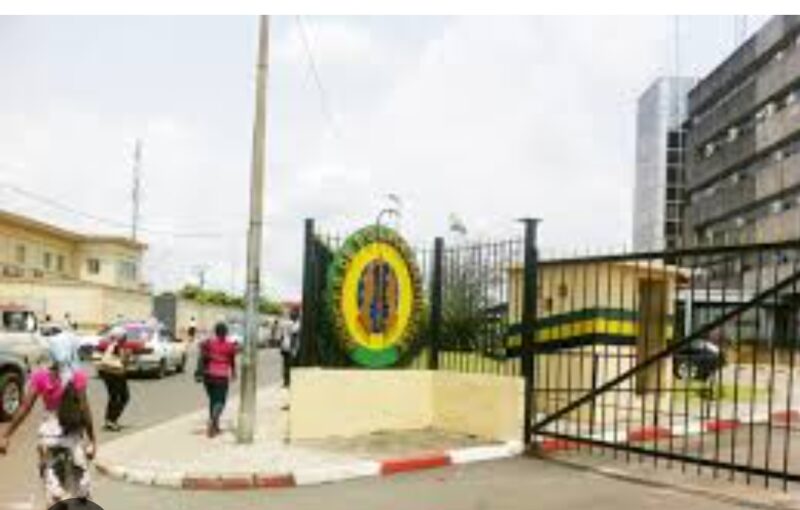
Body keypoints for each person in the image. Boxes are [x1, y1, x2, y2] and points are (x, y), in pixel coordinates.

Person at [0, 332, 96, 505]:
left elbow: (24, 408)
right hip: (72, 435)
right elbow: (84, 410)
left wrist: (6, 435)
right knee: (80, 487)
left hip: (48, 436)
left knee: (52, 484)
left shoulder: (40, 376)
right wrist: (92, 440)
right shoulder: (77, 377)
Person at [199, 322, 237, 437]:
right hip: (221, 376)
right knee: (221, 402)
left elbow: (201, 349)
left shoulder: (209, 343)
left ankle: (215, 426)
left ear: (215, 332)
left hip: (208, 376)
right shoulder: (229, 346)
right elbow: (232, 361)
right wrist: (234, 373)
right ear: (226, 333)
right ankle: (214, 420)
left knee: (213, 400)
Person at [96, 326, 131, 432]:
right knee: (123, 397)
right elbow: (123, 362)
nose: (126, 338)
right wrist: (127, 357)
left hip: (107, 372)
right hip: (115, 373)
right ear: (121, 337)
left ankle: (109, 420)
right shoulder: (117, 346)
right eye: (125, 336)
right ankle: (112, 420)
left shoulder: (111, 345)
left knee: (114, 396)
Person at [280, 312, 300, 388]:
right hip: (289, 348)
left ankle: (286, 382)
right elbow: (294, 337)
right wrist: (294, 349)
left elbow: (282, 336)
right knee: (290, 366)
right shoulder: (295, 325)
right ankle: (288, 382)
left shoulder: (284, 323)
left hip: (285, 347)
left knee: (285, 365)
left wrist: (281, 347)